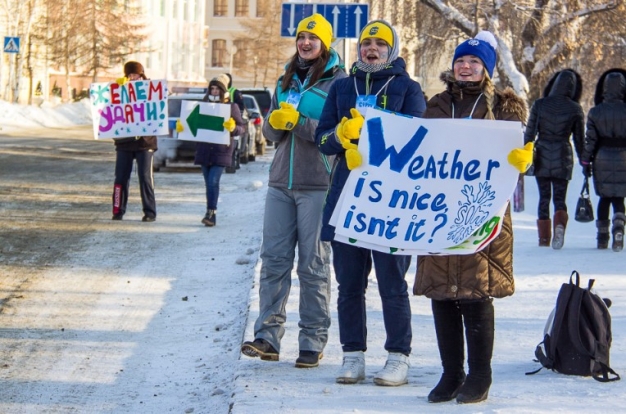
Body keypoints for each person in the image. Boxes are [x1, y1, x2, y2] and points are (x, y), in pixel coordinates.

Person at [413, 31, 528, 403]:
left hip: (482, 212)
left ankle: (480, 375)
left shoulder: (505, 108)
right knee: (442, 293)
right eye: (461, 61)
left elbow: (519, 156)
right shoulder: (436, 104)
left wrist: (523, 161)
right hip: (438, 214)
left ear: (487, 69)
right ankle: (451, 373)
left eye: (474, 62)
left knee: (476, 293)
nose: (466, 67)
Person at [315, 20, 426, 386]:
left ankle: (398, 357)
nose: (372, 49)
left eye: (380, 43)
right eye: (366, 43)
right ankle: (352, 356)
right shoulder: (342, 87)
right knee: (349, 285)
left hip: (389, 205)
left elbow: (418, 137)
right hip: (348, 199)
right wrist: (340, 136)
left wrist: (380, 136)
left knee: (392, 283)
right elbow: (322, 139)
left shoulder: (408, 88)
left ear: (391, 50)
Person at [241, 13, 347, 368]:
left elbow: (335, 136)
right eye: (302, 36)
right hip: (279, 184)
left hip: (317, 183)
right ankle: (267, 337)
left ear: (325, 44)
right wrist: (273, 123)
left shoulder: (339, 84)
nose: (306, 43)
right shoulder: (284, 79)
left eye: (313, 38)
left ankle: (312, 341)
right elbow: (273, 136)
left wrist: (299, 123)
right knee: (273, 262)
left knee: (313, 266)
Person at [524, 69, 585, 248]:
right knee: (560, 197)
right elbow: (579, 139)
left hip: (542, 153)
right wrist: (584, 160)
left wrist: (526, 153)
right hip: (563, 154)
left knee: (544, 196)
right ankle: (559, 226)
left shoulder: (540, 104)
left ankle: (543, 239)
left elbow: (530, 133)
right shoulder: (575, 108)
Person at [580, 68, 626, 252]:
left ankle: (602, 238)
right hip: (624, 157)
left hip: (602, 157)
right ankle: (619, 227)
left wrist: (585, 161)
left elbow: (590, 140)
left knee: (604, 198)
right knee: (619, 197)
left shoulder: (596, 112)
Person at [193, 74, 245, 226]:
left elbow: (242, 127)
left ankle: (211, 213)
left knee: (213, 181)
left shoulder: (231, 107)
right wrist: (183, 127)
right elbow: (193, 124)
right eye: (212, 89)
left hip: (221, 150)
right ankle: (209, 210)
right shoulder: (202, 106)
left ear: (222, 91)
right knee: (208, 183)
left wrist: (234, 128)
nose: (214, 91)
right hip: (204, 150)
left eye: (217, 89)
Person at [111, 61, 158, 222]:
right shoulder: (120, 90)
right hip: (124, 141)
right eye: (130, 75)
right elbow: (109, 110)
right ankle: (118, 210)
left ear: (142, 75)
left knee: (145, 177)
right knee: (120, 178)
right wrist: (116, 91)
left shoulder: (150, 90)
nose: (132, 78)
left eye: (135, 75)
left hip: (145, 142)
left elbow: (158, 109)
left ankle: (150, 212)